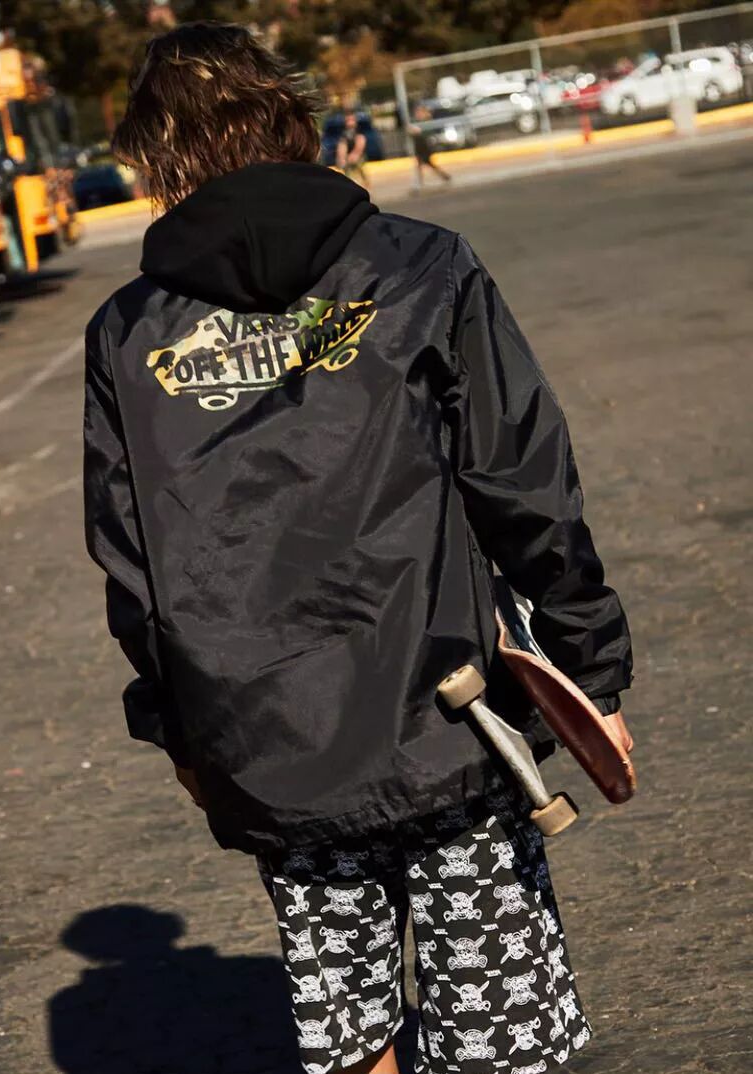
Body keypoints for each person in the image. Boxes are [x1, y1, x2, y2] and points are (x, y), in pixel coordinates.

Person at [84, 22, 633, 1074]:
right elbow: (523, 483)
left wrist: (184, 735)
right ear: (292, 118)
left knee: (351, 1037)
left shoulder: (128, 328)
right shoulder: (422, 265)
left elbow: (128, 562)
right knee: (497, 1037)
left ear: (156, 155)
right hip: (452, 717)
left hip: (267, 739)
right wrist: (590, 666)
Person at [407, 103, 452, 189]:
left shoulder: (427, 121)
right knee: (424, 164)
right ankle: (444, 176)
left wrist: (417, 132)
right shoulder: (417, 122)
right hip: (419, 147)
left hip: (425, 146)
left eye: (419, 112)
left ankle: (419, 183)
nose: (417, 114)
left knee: (423, 164)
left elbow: (427, 134)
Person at [335, 111, 369, 186]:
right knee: (345, 167)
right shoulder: (344, 134)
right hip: (348, 155)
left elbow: (360, 143)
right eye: (348, 120)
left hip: (358, 155)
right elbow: (342, 146)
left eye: (352, 120)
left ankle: (364, 181)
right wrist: (342, 157)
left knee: (358, 165)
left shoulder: (358, 132)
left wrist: (355, 154)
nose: (350, 122)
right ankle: (349, 182)